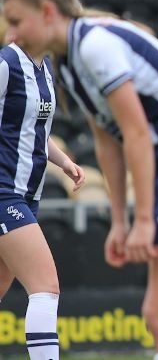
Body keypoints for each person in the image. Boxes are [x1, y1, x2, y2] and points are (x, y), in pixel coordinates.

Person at [1, 0, 158, 360]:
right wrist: (121, 221)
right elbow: (108, 142)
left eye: (15, 21)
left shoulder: (92, 45)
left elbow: (136, 132)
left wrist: (142, 220)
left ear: (46, 12)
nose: (10, 35)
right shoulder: (71, 64)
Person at [0, 37, 85, 360]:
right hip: (4, 191)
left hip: (27, 193)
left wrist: (64, 162)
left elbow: (34, 130)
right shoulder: (7, 62)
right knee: (45, 286)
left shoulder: (44, 67)